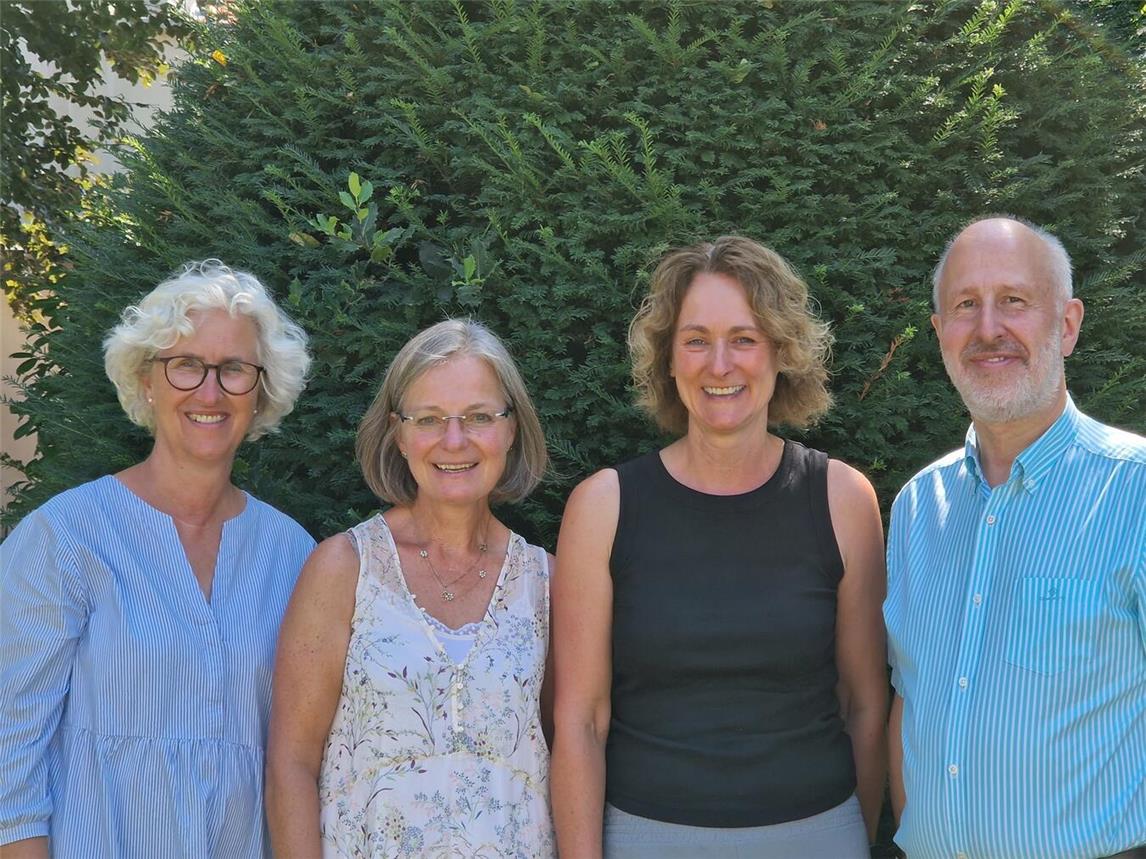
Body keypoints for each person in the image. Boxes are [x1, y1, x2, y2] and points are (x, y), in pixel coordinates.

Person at [551, 236, 888, 858]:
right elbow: (581, 720)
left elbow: (864, 702)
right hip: (646, 838)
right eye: (696, 340)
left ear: (781, 353)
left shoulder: (843, 500)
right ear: (669, 360)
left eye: (745, 338)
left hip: (818, 835)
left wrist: (846, 840)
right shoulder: (603, 507)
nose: (720, 363)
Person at [0, 261, 315, 858]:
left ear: (263, 391)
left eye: (235, 370)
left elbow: (300, 759)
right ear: (147, 380)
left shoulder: (293, 555)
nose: (210, 391)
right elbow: (7, 756)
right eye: (186, 365)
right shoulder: (63, 538)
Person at [884, 216, 1146, 859]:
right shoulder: (919, 507)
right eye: (965, 306)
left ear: (1067, 324)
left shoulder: (1135, 493)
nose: (988, 329)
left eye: (1015, 301)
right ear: (941, 332)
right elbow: (908, 698)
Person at [266, 319, 554, 857]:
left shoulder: (545, 583)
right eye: (428, 419)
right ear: (398, 434)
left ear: (512, 428)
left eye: (478, 417)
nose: (454, 440)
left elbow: (572, 751)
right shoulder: (343, 568)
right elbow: (292, 764)